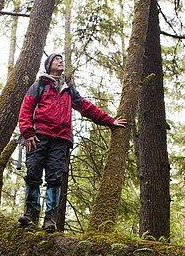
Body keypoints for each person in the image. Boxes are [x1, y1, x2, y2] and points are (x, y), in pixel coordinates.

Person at [17, 53, 127, 232]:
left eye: (61, 60)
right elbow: (26, 109)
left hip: (61, 140)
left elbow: (86, 108)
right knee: (33, 174)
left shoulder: (69, 89)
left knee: (54, 178)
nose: (60, 61)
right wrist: (28, 132)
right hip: (38, 136)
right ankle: (31, 214)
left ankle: (50, 219)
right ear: (49, 65)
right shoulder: (39, 86)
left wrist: (109, 121)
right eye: (56, 59)